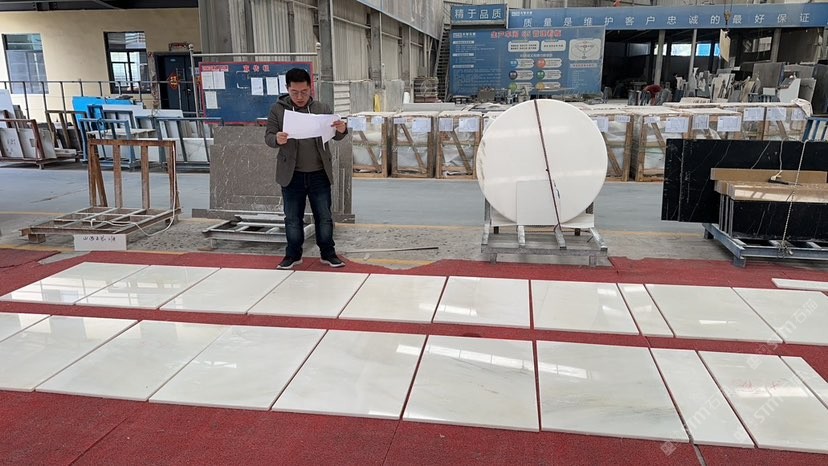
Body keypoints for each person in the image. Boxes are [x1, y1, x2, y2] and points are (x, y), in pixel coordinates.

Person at [264, 68, 348, 270]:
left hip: (319, 173)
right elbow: (268, 136)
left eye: (304, 92)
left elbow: (336, 135)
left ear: (311, 88)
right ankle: (293, 255)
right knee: (293, 218)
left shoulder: (322, 108)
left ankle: (328, 253)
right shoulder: (278, 110)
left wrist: (342, 130)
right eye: (295, 92)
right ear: (287, 89)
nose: (300, 97)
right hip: (291, 174)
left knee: (324, 217)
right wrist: (276, 139)